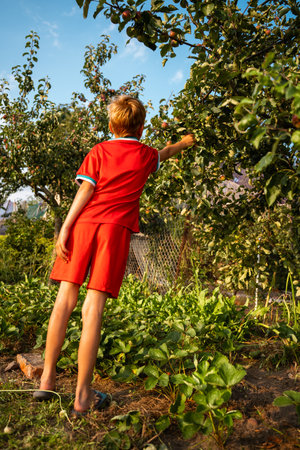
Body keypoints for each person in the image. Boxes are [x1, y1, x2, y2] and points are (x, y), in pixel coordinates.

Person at [33, 95, 195, 415]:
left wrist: (66, 227)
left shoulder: (99, 150)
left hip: (83, 225)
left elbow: (86, 190)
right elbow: (164, 152)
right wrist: (184, 143)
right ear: (142, 126)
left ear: (111, 125)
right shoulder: (147, 155)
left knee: (64, 300)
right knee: (92, 309)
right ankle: (82, 395)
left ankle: (46, 382)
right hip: (115, 232)